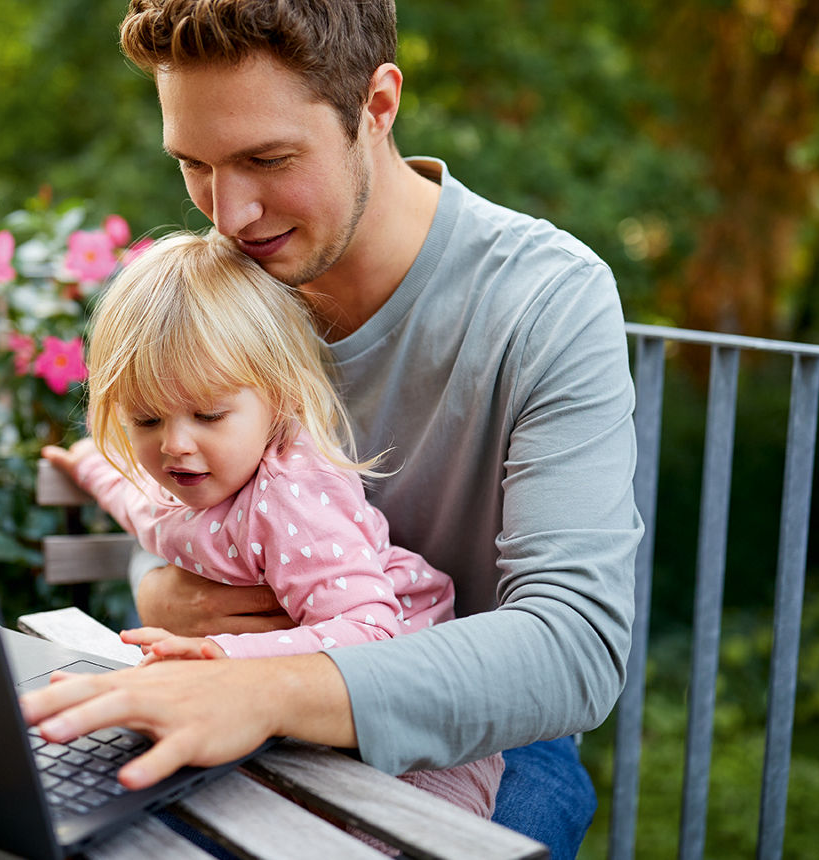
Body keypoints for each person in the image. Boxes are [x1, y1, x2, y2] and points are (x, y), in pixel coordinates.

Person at [21, 2, 642, 856]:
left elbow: (575, 646)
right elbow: (189, 502)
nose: (230, 214)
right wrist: (164, 588)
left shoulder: (546, 302)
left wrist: (265, 687)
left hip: (480, 745)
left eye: (266, 159)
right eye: (194, 165)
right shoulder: (236, 283)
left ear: (377, 107)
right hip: (251, 709)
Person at [41, 228, 504, 818]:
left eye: (209, 414)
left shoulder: (291, 499)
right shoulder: (174, 486)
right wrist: (85, 463)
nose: (176, 445)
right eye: (145, 419)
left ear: (279, 399)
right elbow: (128, 494)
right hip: (295, 713)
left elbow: (371, 634)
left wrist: (220, 655)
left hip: (425, 718)